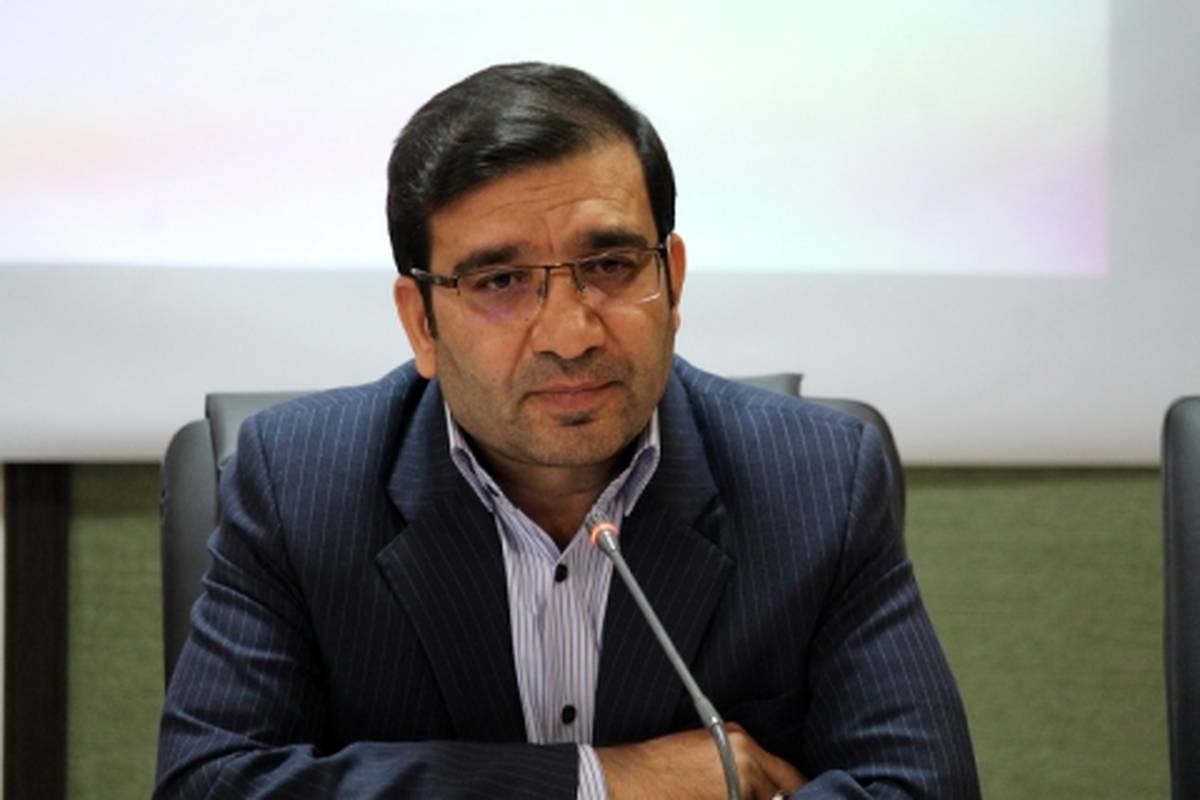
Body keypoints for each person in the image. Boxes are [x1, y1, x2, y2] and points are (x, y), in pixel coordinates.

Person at [155, 62, 979, 799]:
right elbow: (210, 784)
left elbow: (921, 788)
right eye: (501, 281)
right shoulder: (300, 482)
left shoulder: (819, 479)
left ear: (672, 280)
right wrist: (602, 781)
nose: (571, 333)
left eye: (610, 267)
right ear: (422, 323)